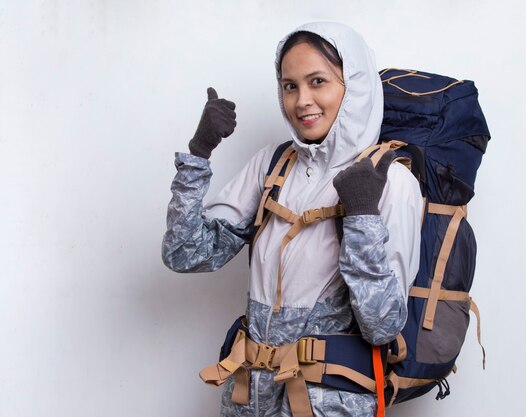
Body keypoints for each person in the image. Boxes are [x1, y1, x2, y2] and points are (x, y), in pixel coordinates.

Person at [162, 22, 422, 417]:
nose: (302, 101)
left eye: (318, 81)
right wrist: (199, 155)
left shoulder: (391, 182)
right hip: (248, 396)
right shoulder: (272, 164)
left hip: (327, 404)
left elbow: (383, 325)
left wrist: (363, 216)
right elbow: (185, 254)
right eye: (290, 86)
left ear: (354, 87)